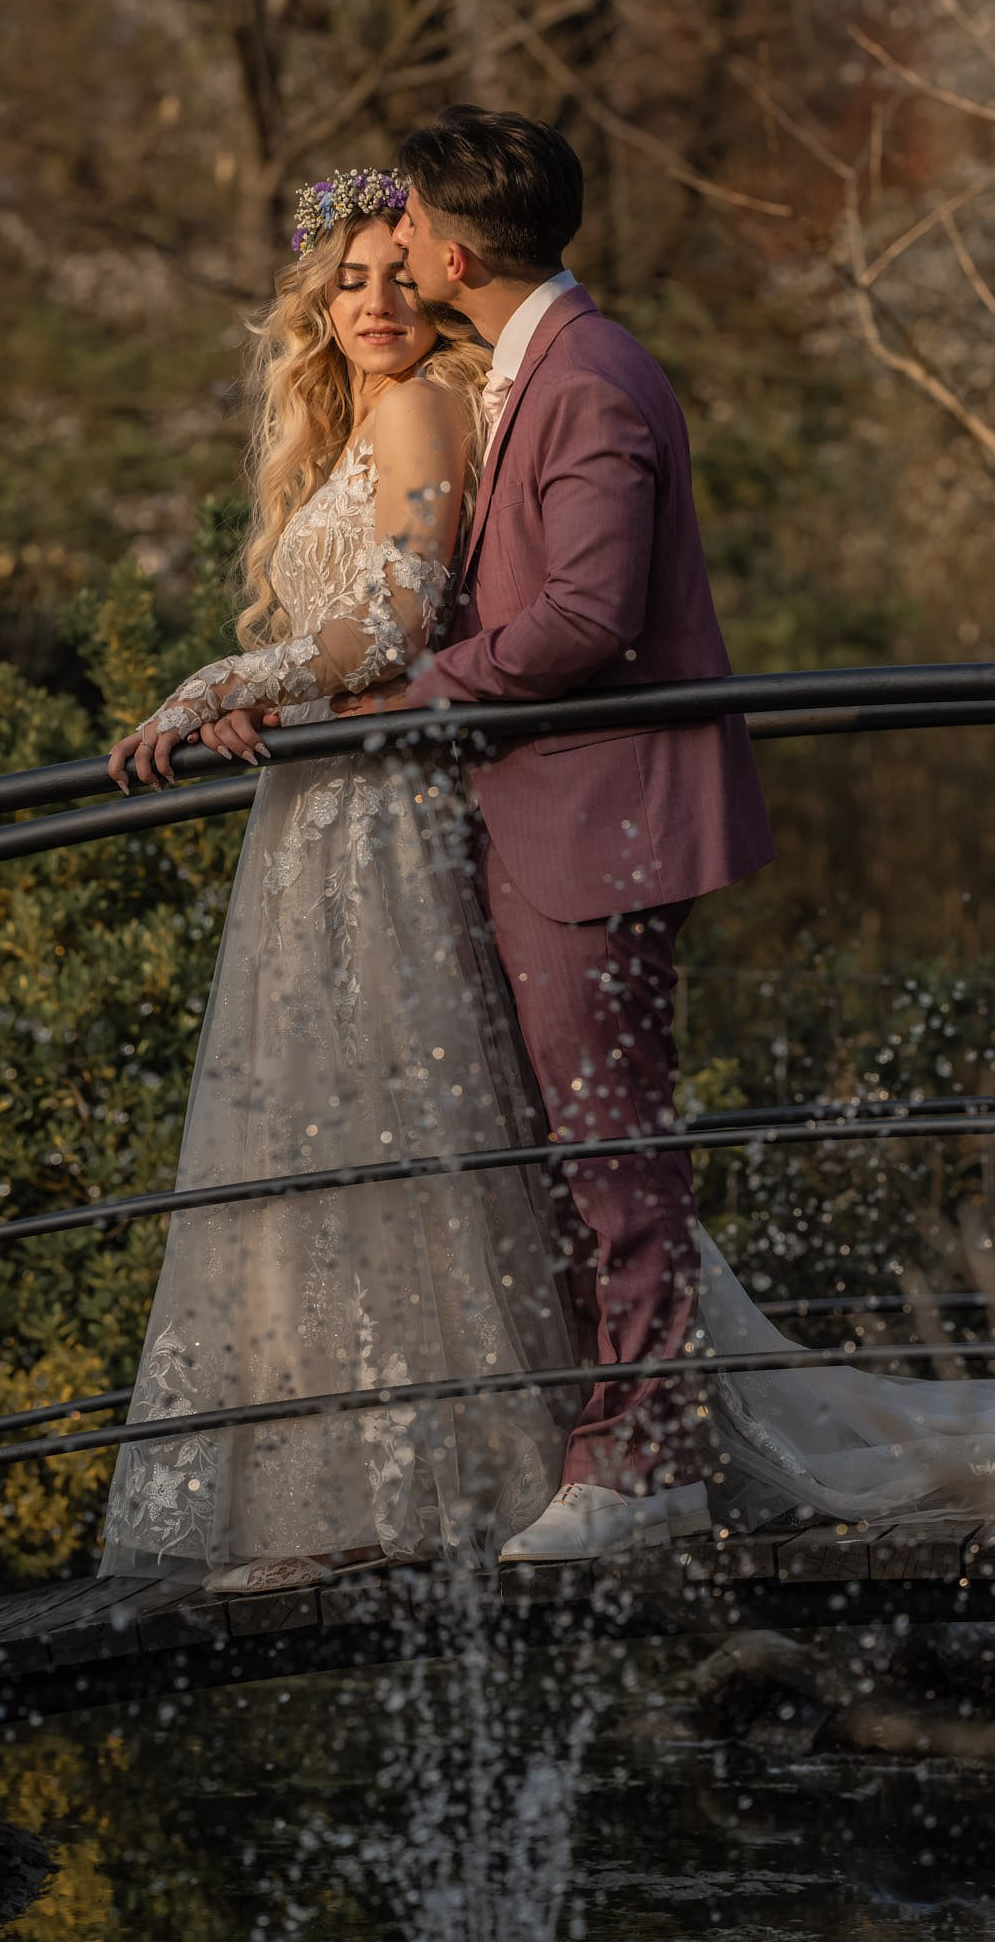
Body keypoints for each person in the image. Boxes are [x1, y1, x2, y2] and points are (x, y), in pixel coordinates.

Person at [98, 168, 577, 1593]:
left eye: (394, 274)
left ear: (433, 280)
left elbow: (392, 618)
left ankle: (430, 1482)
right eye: (346, 279)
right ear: (313, 299)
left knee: (386, 1094)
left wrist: (215, 684)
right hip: (317, 803)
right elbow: (342, 637)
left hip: (381, 816)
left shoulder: (428, 399)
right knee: (315, 1103)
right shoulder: (351, 422)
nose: (374, 303)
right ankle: (343, 1479)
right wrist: (268, 702)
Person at [335, 107, 775, 1563]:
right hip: (549, 814)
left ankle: (645, 1467)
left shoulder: (586, 380)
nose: (385, 245)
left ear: (452, 253)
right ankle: (609, 1439)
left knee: (612, 1147)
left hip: (597, 821)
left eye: (400, 225)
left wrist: (420, 693)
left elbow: (586, 614)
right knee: (577, 1143)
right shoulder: (539, 365)